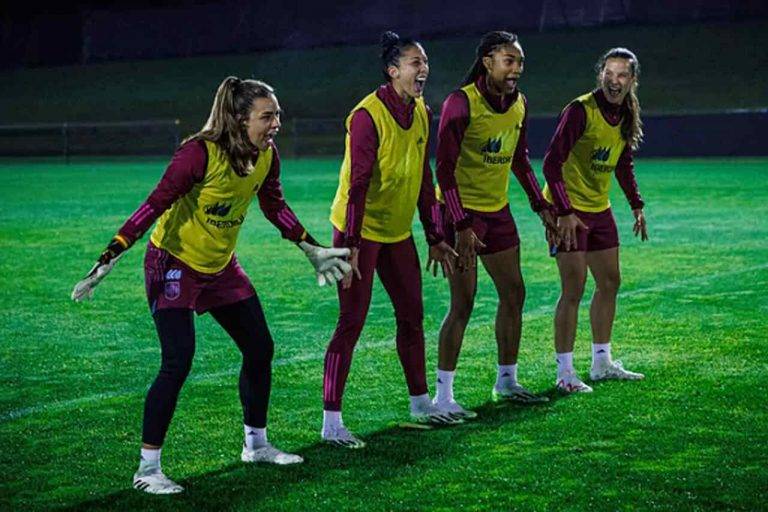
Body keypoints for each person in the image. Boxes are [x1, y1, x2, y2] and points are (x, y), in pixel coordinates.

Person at [71, 77, 351, 494]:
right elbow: (154, 203)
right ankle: (147, 470)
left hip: (220, 267)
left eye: (278, 115)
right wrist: (111, 253)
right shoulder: (198, 154)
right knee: (178, 360)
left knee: (260, 347)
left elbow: (274, 205)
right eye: (267, 116)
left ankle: (255, 445)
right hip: (174, 263)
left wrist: (310, 247)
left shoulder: (266, 155)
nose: (276, 123)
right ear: (240, 119)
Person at [321, 31, 462, 449]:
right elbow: (359, 184)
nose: (424, 69)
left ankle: (421, 402)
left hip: (397, 232)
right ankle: (331, 422)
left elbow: (423, 177)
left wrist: (435, 234)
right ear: (393, 70)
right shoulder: (366, 115)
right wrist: (350, 247)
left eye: (425, 62)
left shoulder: (421, 110)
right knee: (351, 322)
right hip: (357, 232)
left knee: (412, 315)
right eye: (415, 62)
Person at [432, 31, 556, 418]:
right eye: (509, 60)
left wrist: (541, 205)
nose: (516, 69)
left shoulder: (518, 104)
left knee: (514, 293)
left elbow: (519, 159)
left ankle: (506, 381)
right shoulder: (460, 103)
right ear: (488, 61)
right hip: (460, 214)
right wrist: (461, 223)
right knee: (463, 304)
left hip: (497, 212)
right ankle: (443, 396)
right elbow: (445, 169)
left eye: (519, 62)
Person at [542, 48, 649, 393]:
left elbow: (622, 163)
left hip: (598, 209)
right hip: (568, 209)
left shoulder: (627, 112)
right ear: (600, 74)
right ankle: (565, 373)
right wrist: (563, 211)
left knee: (610, 282)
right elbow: (551, 163)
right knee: (573, 289)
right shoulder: (579, 111)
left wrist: (636, 205)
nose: (614, 81)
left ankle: (602, 362)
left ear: (632, 81)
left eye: (622, 75)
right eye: (609, 73)